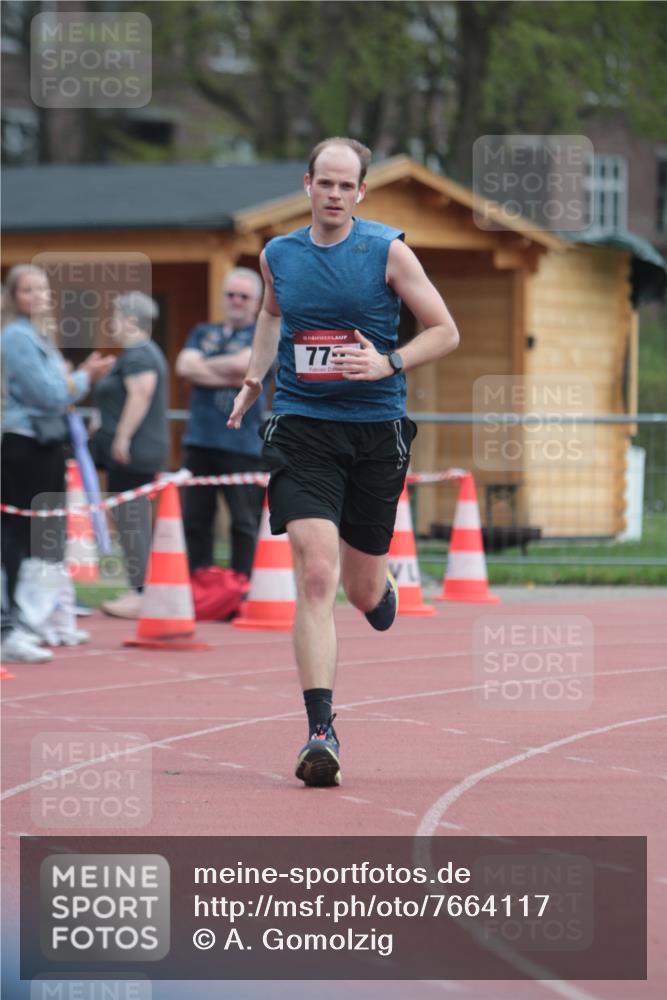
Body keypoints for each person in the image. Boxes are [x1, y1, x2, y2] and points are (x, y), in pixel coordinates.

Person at [228, 137, 460, 787]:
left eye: (344, 185)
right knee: (314, 571)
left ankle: (378, 588)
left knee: (358, 588)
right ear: (306, 185)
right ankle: (320, 730)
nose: (332, 194)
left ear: (360, 192)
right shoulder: (278, 255)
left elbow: (445, 330)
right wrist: (253, 376)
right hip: (301, 427)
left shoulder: (386, 250)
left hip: (374, 432)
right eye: (322, 183)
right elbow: (271, 315)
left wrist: (387, 360)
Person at [1, 264, 112, 662]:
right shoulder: (16, 336)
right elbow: (48, 393)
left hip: (45, 443)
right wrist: (83, 378)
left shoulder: (39, 337)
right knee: (20, 534)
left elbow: (55, 390)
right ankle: (12, 624)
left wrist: (73, 380)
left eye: (42, 290)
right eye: (27, 290)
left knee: (41, 536)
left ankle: (31, 619)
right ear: (14, 296)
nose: (37, 297)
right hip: (25, 442)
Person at [176, 268, 267, 582]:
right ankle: (198, 584)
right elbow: (183, 366)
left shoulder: (263, 333)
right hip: (200, 440)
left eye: (244, 296)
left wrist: (203, 367)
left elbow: (247, 367)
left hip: (242, 442)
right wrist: (225, 370)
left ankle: (243, 584)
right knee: (196, 520)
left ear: (256, 302)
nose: (237, 301)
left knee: (243, 521)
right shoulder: (203, 331)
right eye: (231, 294)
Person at [93, 293, 168, 619]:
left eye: (116, 316)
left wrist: (122, 438)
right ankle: (141, 587)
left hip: (134, 452)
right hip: (133, 451)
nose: (112, 322)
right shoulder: (134, 355)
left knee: (132, 520)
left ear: (131, 320)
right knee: (129, 521)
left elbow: (141, 393)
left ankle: (143, 592)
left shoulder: (140, 354)